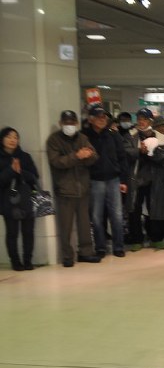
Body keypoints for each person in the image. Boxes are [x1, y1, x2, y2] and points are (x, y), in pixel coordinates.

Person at [46, 110, 100, 267]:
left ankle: (86, 253)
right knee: (66, 226)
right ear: (61, 123)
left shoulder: (82, 138)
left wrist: (88, 156)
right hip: (65, 189)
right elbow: (56, 162)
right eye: (66, 123)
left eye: (72, 122)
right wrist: (77, 156)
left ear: (76, 123)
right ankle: (67, 256)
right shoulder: (54, 140)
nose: (69, 125)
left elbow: (94, 157)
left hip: (83, 188)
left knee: (84, 224)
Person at [84, 105, 129, 259]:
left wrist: (124, 180)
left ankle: (118, 246)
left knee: (116, 215)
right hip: (95, 180)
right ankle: (100, 247)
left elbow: (122, 158)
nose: (102, 120)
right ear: (90, 119)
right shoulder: (84, 137)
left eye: (104, 117)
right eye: (98, 117)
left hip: (113, 179)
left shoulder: (113, 135)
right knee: (96, 216)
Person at [125, 108, 164, 251]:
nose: (141, 122)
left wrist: (150, 151)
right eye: (139, 119)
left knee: (155, 209)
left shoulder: (161, 137)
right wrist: (139, 151)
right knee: (134, 210)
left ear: (151, 121)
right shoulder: (131, 135)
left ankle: (156, 238)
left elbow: (161, 156)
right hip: (136, 179)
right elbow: (125, 151)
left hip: (155, 179)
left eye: (144, 119)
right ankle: (136, 239)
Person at [0, 127, 39, 270]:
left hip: (26, 199)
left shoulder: (25, 156)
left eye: (15, 137)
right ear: (2, 139)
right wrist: (11, 171)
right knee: (12, 233)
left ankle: (28, 260)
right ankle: (15, 261)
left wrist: (20, 171)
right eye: (9, 137)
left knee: (28, 231)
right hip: (8, 201)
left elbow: (34, 177)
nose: (12, 140)